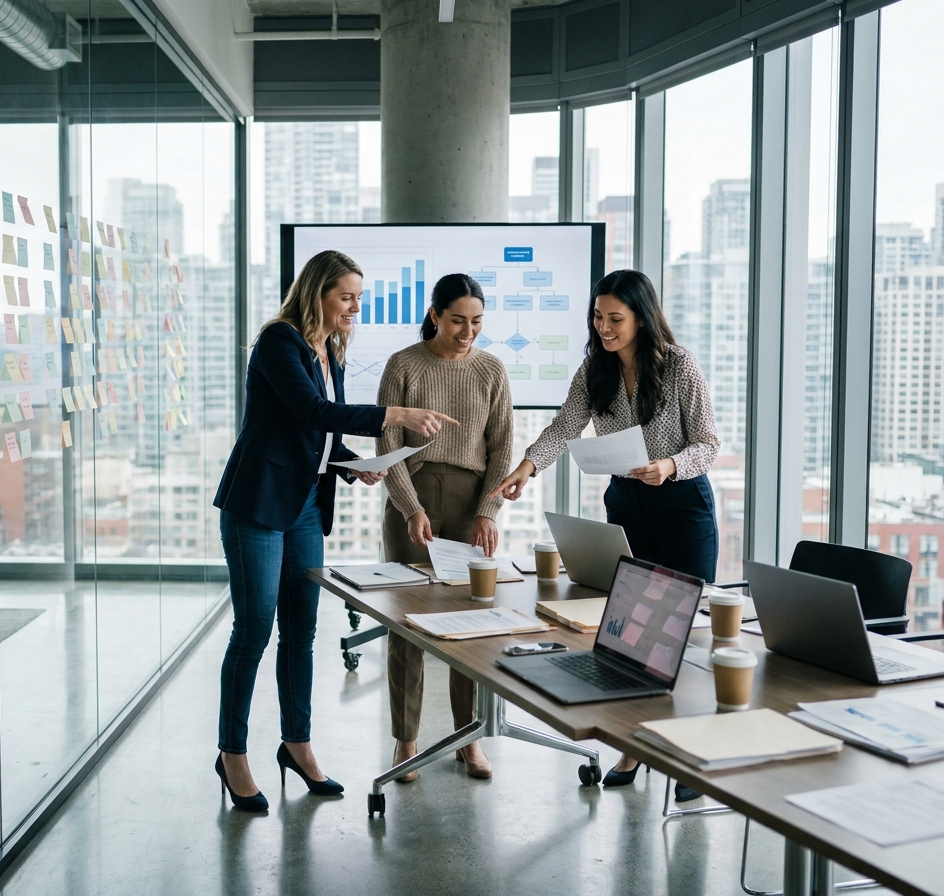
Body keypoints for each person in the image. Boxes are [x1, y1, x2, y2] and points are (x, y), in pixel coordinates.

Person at [213, 249, 459, 812]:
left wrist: (351, 463)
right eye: (346, 297)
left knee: (300, 631)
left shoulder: (331, 349)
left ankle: (296, 746)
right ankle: (232, 755)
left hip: (302, 503)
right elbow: (310, 412)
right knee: (253, 632)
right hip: (258, 502)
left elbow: (315, 436)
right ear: (317, 293)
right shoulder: (281, 342)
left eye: (359, 299)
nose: (355, 308)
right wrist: (393, 415)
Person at [491, 268, 720, 802]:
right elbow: (565, 426)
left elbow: (708, 442)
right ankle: (633, 745)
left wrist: (668, 465)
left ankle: (688, 756)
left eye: (615, 319)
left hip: (682, 502)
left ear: (642, 317)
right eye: (598, 317)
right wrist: (528, 467)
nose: (604, 327)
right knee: (632, 631)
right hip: (626, 503)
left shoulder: (680, 365)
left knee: (682, 632)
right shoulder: (594, 368)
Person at [378, 273, 513, 781]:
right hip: (410, 499)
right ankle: (406, 740)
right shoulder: (404, 365)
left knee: (470, 623)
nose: (468, 331)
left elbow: (501, 445)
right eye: (458, 320)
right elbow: (388, 440)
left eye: (477, 322)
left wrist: (488, 511)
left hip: (470, 502)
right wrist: (411, 507)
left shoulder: (491, 369)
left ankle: (468, 739)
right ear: (435, 315)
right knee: (406, 623)